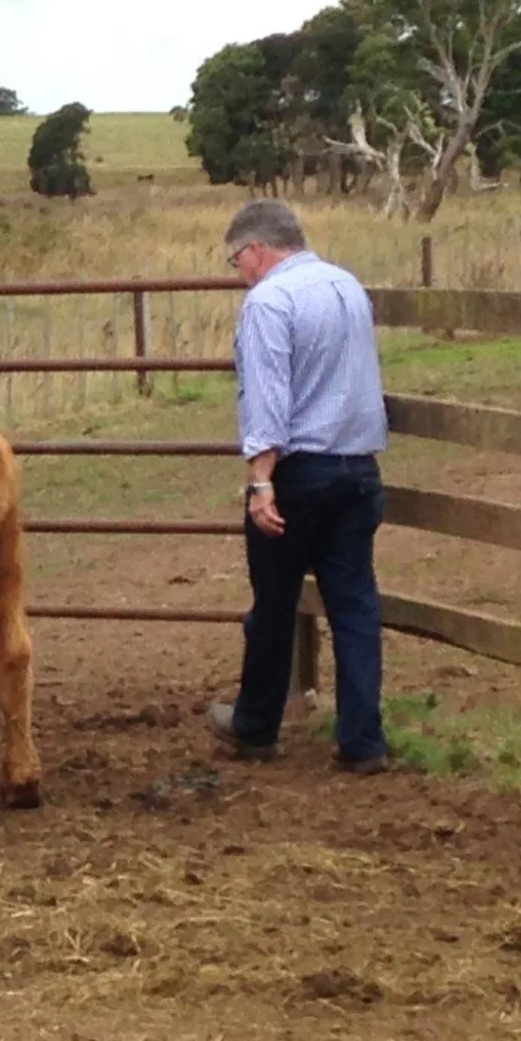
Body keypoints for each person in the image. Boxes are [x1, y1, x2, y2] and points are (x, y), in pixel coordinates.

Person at [206, 199, 391, 773]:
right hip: (359, 466)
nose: (239, 272)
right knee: (355, 603)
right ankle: (363, 740)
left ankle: (256, 724)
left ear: (257, 249)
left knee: (275, 601)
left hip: (300, 472)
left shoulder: (269, 301)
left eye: (237, 260)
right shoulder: (347, 286)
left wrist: (261, 482)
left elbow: (267, 396)